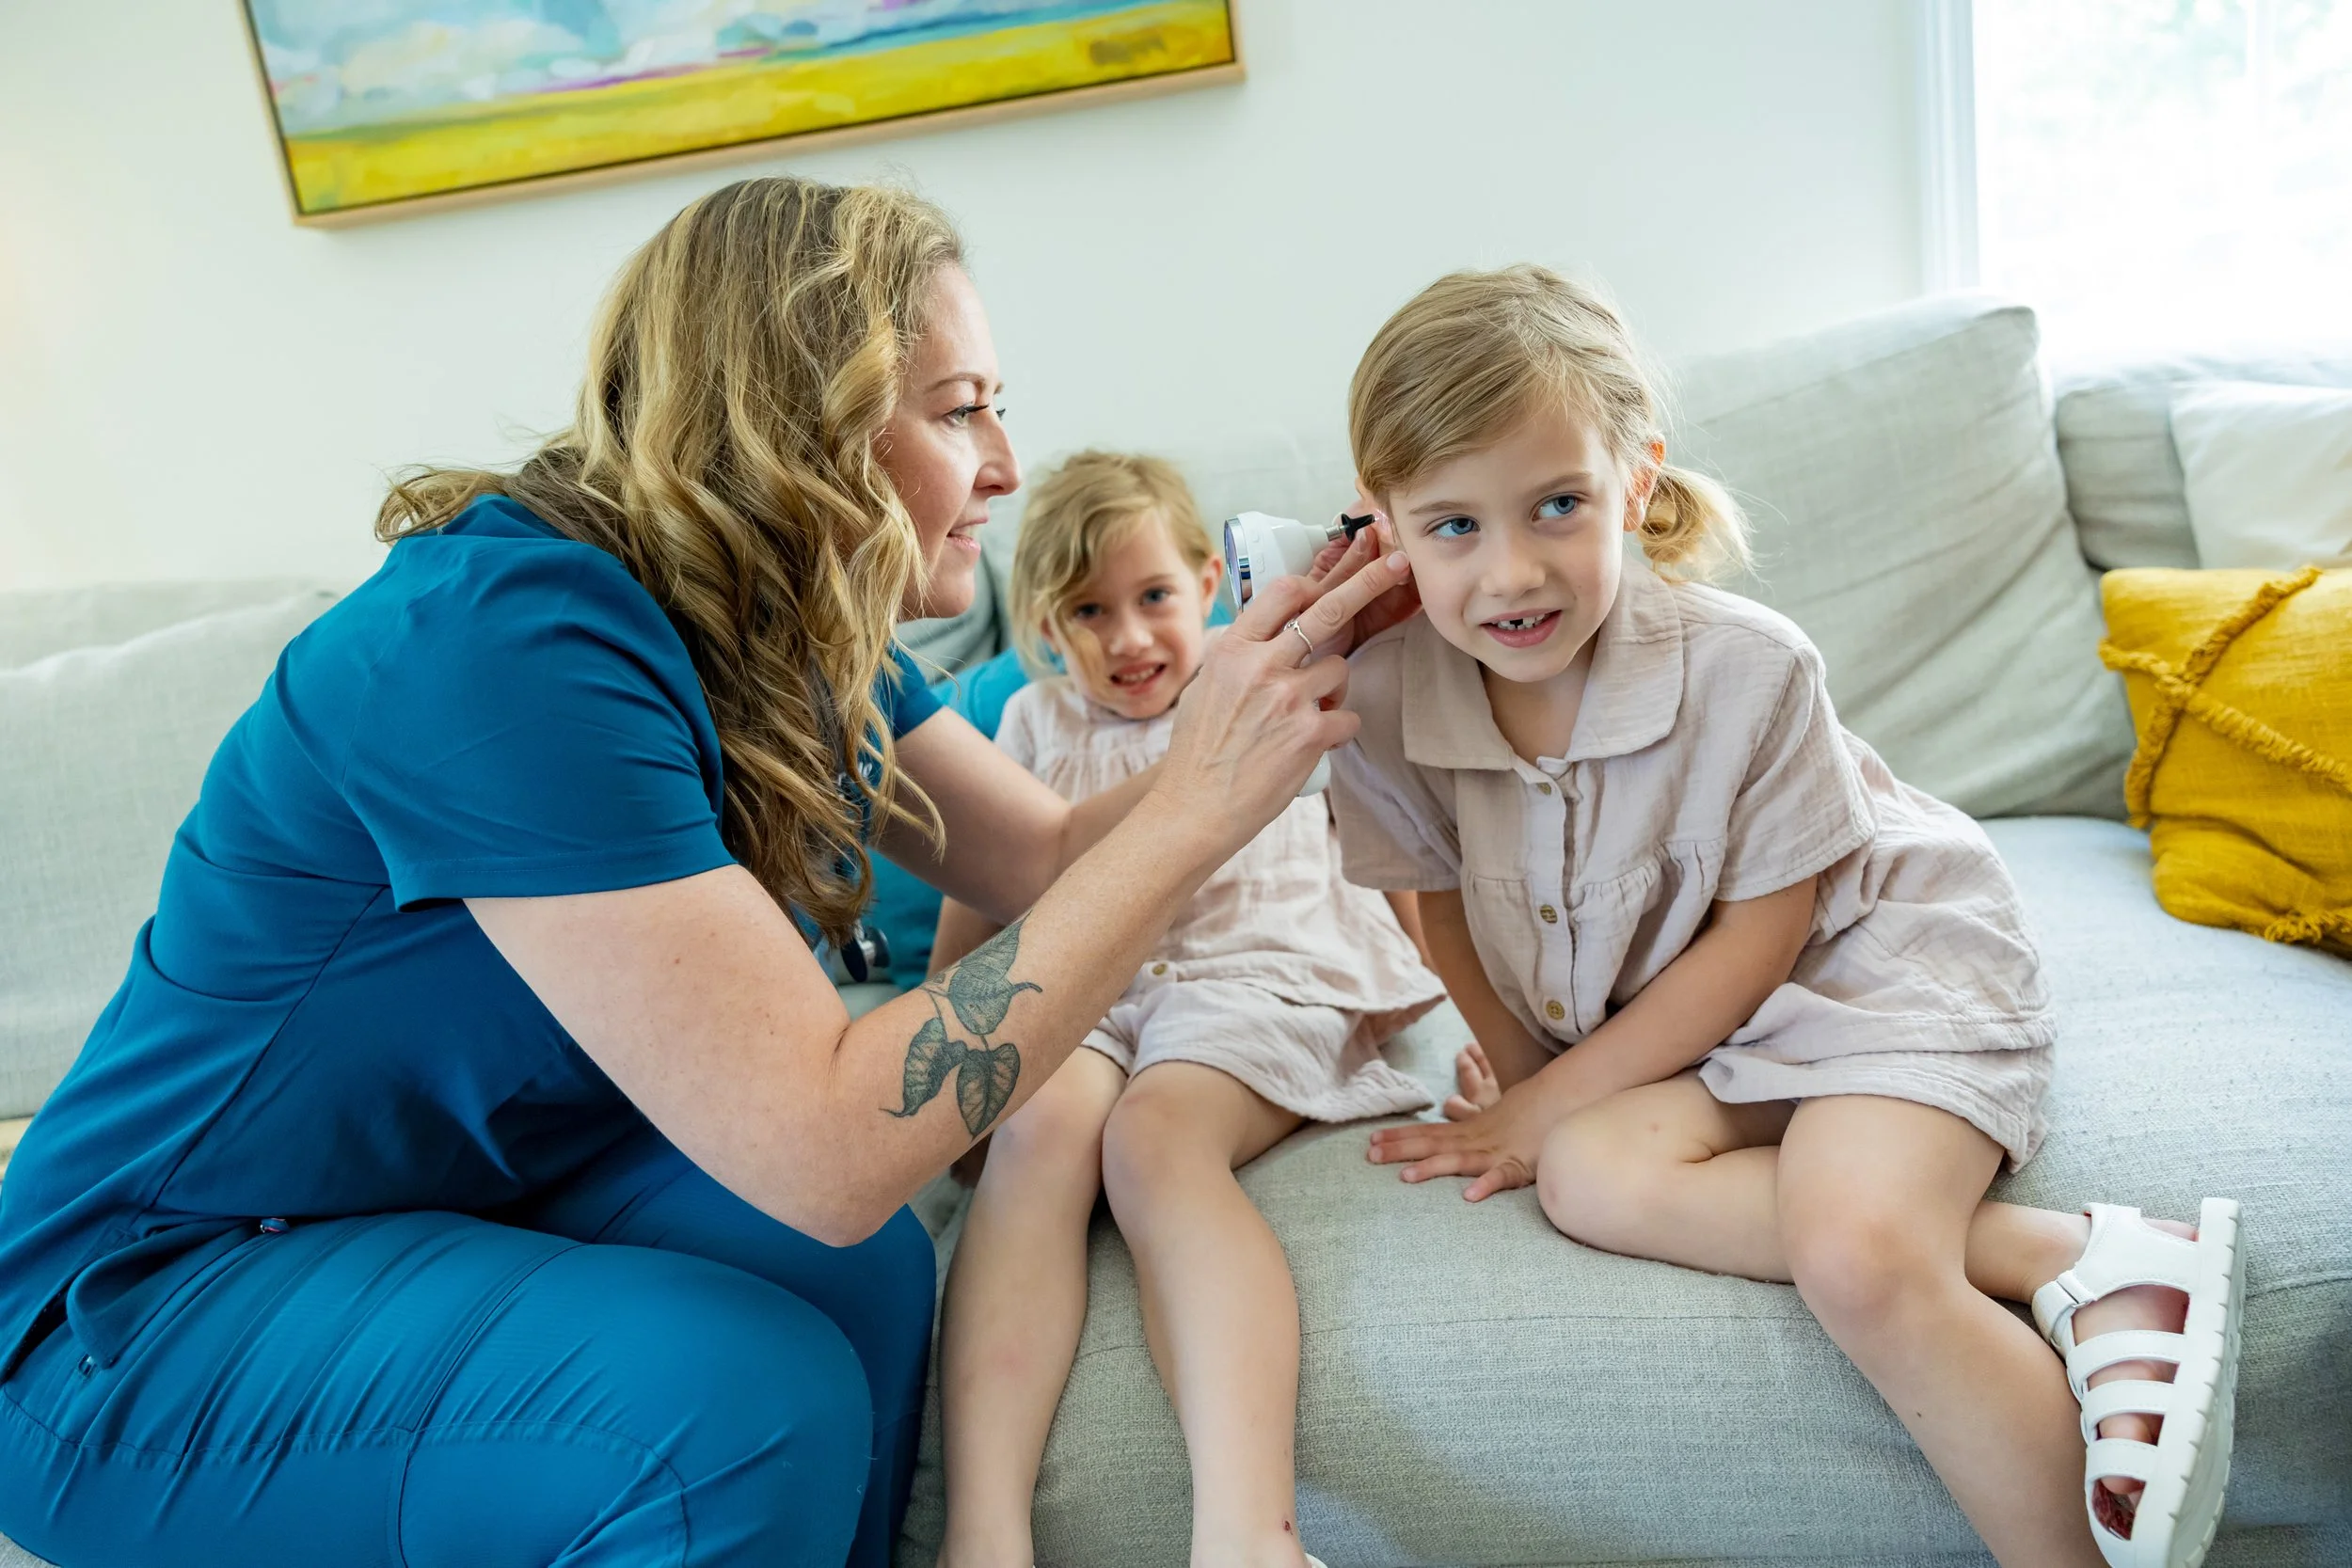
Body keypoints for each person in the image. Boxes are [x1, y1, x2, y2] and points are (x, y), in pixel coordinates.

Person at [0, 177, 1413, 1568]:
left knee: (854, 1279)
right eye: (959, 406)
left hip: (458, 1193)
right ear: (800, 418)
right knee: (731, 1409)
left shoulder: (775, 624)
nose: (1001, 465)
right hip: (142, 1302)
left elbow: (1039, 850)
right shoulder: (503, 649)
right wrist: (1187, 819)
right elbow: (831, 1145)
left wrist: (1271, 680)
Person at [1327, 265, 2246, 1568]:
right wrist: (1539, 1089)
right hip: (1703, 1034)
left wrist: (1554, 1090)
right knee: (1590, 1173)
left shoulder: (1750, 664)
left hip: (1877, 968)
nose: (1512, 570)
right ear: (1382, 524)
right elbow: (1438, 902)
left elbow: (1764, 939)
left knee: (1860, 1250)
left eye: (1557, 506)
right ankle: (2085, 1255)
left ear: (1635, 483)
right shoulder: (1379, 695)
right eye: (1453, 526)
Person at [928, 451, 1443, 1568]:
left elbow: (1393, 830)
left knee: (1152, 1140)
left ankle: (1247, 1537)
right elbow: (987, 889)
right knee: (1043, 1123)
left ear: (1210, 581)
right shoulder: (1030, 718)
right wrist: (952, 1069)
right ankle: (982, 1534)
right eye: (1086, 612)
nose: (1126, 639)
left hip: (1260, 963)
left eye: (1153, 597)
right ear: (1045, 622)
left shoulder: (1264, 677)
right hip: (1096, 981)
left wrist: (1456, 1011)